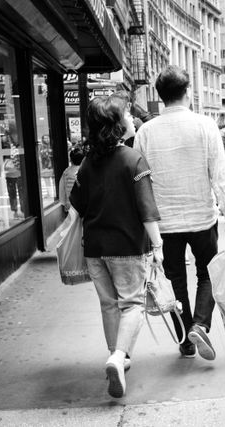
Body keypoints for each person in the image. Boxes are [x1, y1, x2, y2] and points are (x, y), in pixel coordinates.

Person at [134, 65, 225, 361]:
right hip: (201, 218)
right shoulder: (205, 125)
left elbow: (140, 180)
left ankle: (185, 340)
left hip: (164, 222)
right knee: (208, 273)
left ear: (160, 96)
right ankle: (200, 324)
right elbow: (219, 174)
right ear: (187, 92)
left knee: (176, 279)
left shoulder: (145, 132)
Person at [70, 94, 164, 399]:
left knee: (109, 304)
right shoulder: (133, 160)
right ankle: (118, 355)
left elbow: (76, 207)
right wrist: (159, 246)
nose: (130, 118)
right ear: (116, 124)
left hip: (95, 247)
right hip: (128, 246)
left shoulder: (87, 162)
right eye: (126, 113)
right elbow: (147, 209)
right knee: (133, 304)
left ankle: (117, 357)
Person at [58, 145, 84, 213]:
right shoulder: (83, 171)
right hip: (82, 203)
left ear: (71, 159)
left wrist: (64, 201)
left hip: (69, 202)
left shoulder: (66, 171)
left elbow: (61, 186)